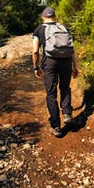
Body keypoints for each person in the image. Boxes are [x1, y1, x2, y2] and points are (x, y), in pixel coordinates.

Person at [32, 7, 79, 137]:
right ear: (55, 17)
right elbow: (72, 49)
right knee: (65, 87)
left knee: (51, 93)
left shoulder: (39, 30)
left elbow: (35, 51)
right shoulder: (64, 28)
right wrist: (75, 67)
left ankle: (56, 126)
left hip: (49, 62)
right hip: (66, 61)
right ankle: (67, 114)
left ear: (43, 17)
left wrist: (36, 67)